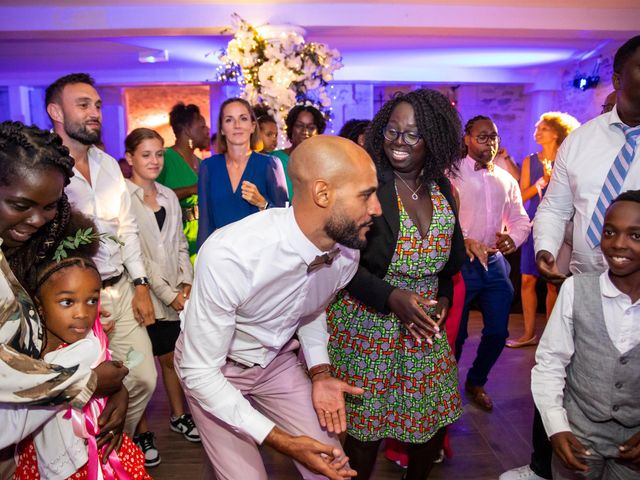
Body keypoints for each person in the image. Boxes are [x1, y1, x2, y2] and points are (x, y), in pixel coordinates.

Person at [175, 135, 382, 480]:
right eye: (365, 195)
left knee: (332, 466)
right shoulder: (232, 254)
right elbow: (200, 373)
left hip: (277, 362)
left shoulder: (347, 252)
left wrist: (321, 372)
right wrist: (283, 441)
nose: (376, 208)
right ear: (322, 194)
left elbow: (311, 308)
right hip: (215, 372)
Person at [501, 35, 640, 480]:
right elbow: (558, 206)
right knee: (559, 370)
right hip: (583, 277)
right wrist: (544, 248)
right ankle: (545, 466)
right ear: (617, 80)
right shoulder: (581, 141)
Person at [327, 89, 465, 480]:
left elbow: (448, 268)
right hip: (367, 324)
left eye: (412, 134)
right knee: (364, 434)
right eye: (391, 130)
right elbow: (341, 266)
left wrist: (441, 299)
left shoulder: (444, 192)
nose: (398, 142)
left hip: (423, 327)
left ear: (434, 139)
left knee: (431, 425)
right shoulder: (365, 186)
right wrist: (391, 297)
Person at [0, 121, 128, 477]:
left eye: (51, 206)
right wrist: (86, 383)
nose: (38, 219)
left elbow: (78, 337)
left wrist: (113, 387)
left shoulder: (30, 249)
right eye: (20, 204)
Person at [45, 73, 157, 437]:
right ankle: (89, 454)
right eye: (83, 105)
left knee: (142, 376)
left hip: (122, 289)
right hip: (75, 299)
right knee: (81, 383)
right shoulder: (46, 168)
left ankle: (112, 442)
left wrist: (141, 283)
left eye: (96, 105)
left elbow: (127, 229)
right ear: (55, 112)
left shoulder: (109, 165)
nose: (95, 112)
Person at [13, 218, 151, 479]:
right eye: (67, 302)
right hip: (52, 458)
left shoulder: (90, 342)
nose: (82, 314)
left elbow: (106, 381)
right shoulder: (23, 356)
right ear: (39, 306)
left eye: (92, 300)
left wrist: (119, 392)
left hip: (97, 453)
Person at [531, 190, 640, 480]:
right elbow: (550, 363)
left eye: (635, 236)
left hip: (633, 446)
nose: (618, 244)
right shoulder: (576, 289)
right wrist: (556, 427)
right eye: (610, 232)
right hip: (579, 438)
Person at [125, 128, 198, 467]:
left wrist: (186, 282)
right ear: (130, 159)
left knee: (171, 359)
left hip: (173, 291)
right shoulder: (123, 198)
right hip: (141, 295)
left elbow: (180, 244)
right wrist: (170, 295)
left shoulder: (169, 195)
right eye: (145, 155)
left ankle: (178, 415)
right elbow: (140, 255)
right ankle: (140, 430)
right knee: (139, 369)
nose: (154, 161)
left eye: (158, 154)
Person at [454, 115, 531, 411]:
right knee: (456, 334)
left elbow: (520, 219)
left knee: (498, 332)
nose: (491, 142)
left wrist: (514, 238)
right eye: (483, 136)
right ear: (468, 138)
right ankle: (445, 386)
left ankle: (476, 380)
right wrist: (464, 240)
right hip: (462, 264)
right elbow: (443, 220)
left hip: (495, 264)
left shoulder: (506, 179)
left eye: (495, 137)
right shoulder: (452, 175)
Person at [507, 112, 580, 348]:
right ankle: (528, 333)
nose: (537, 132)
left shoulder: (568, 158)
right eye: (537, 128)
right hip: (534, 223)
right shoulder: (531, 161)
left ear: (557, 132)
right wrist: (542, 181)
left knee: (552, 282)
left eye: (544, 128)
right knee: (527, 279)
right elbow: (522, 193)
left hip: (560, 225)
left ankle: (550, 337)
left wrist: (555, 179)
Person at [196, 97, 289, 248]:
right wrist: (201, 265)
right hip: (221, 257)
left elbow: (285, 220)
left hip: (260, 258)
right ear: (221, 129)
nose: (237, 125)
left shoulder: (270, 164)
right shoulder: (208, 167)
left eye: (243, 118)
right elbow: (205, 225)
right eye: (229, 120)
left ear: (253, 126)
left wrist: (263, 203)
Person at [156, 103, 210, 260]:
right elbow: (152, 196)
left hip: (203, 238)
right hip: (176, 239)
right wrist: (191, 189)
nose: (207, 130)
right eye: (201, 126)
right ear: (187, 130)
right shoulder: (164, 158)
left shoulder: (202, 163)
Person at [272, 104, 327, 198]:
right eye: (299, 126)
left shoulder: (324, 164)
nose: (305, 131)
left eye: (311, 127)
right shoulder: (274, 159)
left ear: (318, 132)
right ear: (291, 129)